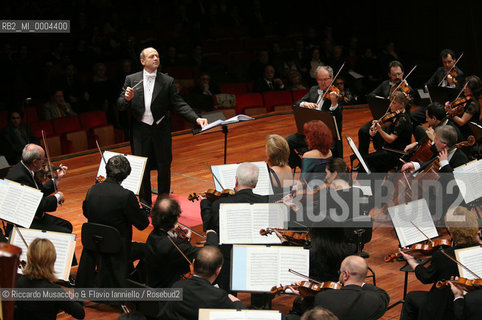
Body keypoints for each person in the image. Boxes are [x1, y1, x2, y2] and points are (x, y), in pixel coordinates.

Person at [117, 47, 208, 207]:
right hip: (140, 131)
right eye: (151, 56)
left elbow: (179, 104)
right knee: (142, 168)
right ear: (142, 61)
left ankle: (163, 202)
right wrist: (127, 99)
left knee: (164, 166)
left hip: (160, 129)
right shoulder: (132, 79)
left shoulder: (167, 81)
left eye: (157, 56)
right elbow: (120, 105)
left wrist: (196, 118)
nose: (155, 58)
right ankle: (145, 203)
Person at [78, 155, 150, 288]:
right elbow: (142, 224)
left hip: (95, 245)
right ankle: (135, 280)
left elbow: (86, 212)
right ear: (126, 175)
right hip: (117, 248)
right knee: (150, 249)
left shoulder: (92, 190)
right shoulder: (126, 196)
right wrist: (142, 211)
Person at [399, 206, 480, 320]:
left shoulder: (444, 256)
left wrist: (411, 260)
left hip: (446, 306)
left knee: (411, 297)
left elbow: (426, 277)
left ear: (452, 233)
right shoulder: (479, 250)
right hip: (475, 303)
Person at [200, 163, 268, 292]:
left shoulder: (219, 204)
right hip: (257, 257)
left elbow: (209, 228)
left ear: (236, 180)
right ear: (255, 184)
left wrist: (205, 203)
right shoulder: (266, 202)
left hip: (228, 259)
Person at [145, 194, 218, 289]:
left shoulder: (153, 236)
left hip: (154, 287)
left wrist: (186, 240)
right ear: (175, 218)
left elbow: (179, 257)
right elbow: (209, 253)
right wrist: (211, 232)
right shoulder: (171, 245)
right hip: (168, 295)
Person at [161, 246, 244, 320]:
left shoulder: (177, 286)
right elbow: (242, 315)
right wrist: (237, 302)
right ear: (218, 271)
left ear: (193, 263)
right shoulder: (219, 296)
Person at [6, 144, 72, 233]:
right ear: (34, 162)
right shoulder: (20, 177)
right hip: (25, 222)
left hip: (34, 215)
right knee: (64, 231)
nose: (44, 164)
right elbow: (41, 204)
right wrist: (58, 196)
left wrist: (57, 178)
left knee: (67, 225)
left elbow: (40, 191)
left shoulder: (25, 169)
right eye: (43, 160)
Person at [286, 66, 343, 169]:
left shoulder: (336, 94)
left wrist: (334, 104)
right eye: (320, 80)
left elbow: (338, 118)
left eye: (326, 79)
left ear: (331, 78)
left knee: (312, 153)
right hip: (309, 133)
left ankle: (315, 171)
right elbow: (297, 103)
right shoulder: (313, 90)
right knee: (285, 144)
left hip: (327, 138)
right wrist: (305, 104)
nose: (323, 83)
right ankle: (301, 165)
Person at [15, 238, 85, 320]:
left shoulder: (18, 282)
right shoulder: (53, 291)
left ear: (29, 258)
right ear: (52, 260)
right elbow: (80, 314)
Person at [314, 255, 389, 320]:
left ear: (346, 275)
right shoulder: (376, 300)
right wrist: (361, 282)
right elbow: (382, 293)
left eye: (340, 272)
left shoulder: (322, 298)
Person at [357, 91, 412, 172]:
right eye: (390, 102)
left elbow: (390, 139)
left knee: (366, 160)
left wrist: (379, 129)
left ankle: (365, 183)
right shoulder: (395, 114)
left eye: (394, 103)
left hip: (396, 153)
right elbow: (384, 123)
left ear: (402, 105)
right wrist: (375, 125)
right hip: (389, 149)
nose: (390, 105)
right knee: (369, 160)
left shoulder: (402, 120)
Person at [411, 49, 466, 127]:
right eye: (444, 62)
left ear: (454, 60)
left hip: (448, 107)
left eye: (449, 62)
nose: (447, 65)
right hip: (435, 104)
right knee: (413, 116)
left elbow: (458, 95)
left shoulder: (459, 74)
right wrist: (427, 88)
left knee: (434, 120)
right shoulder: (440, 71)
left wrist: (451, 83)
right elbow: (428, 84)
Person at [446, 75, 481, 141]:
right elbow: (456, 112)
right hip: (459, 129)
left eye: (467, 87)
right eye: (465, 86)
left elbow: (461, 122)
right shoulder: (466, 100)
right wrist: (450, 109)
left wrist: (452, 113)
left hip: (466, 135)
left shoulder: (473, 104)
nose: (464, 88)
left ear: (473, 90)